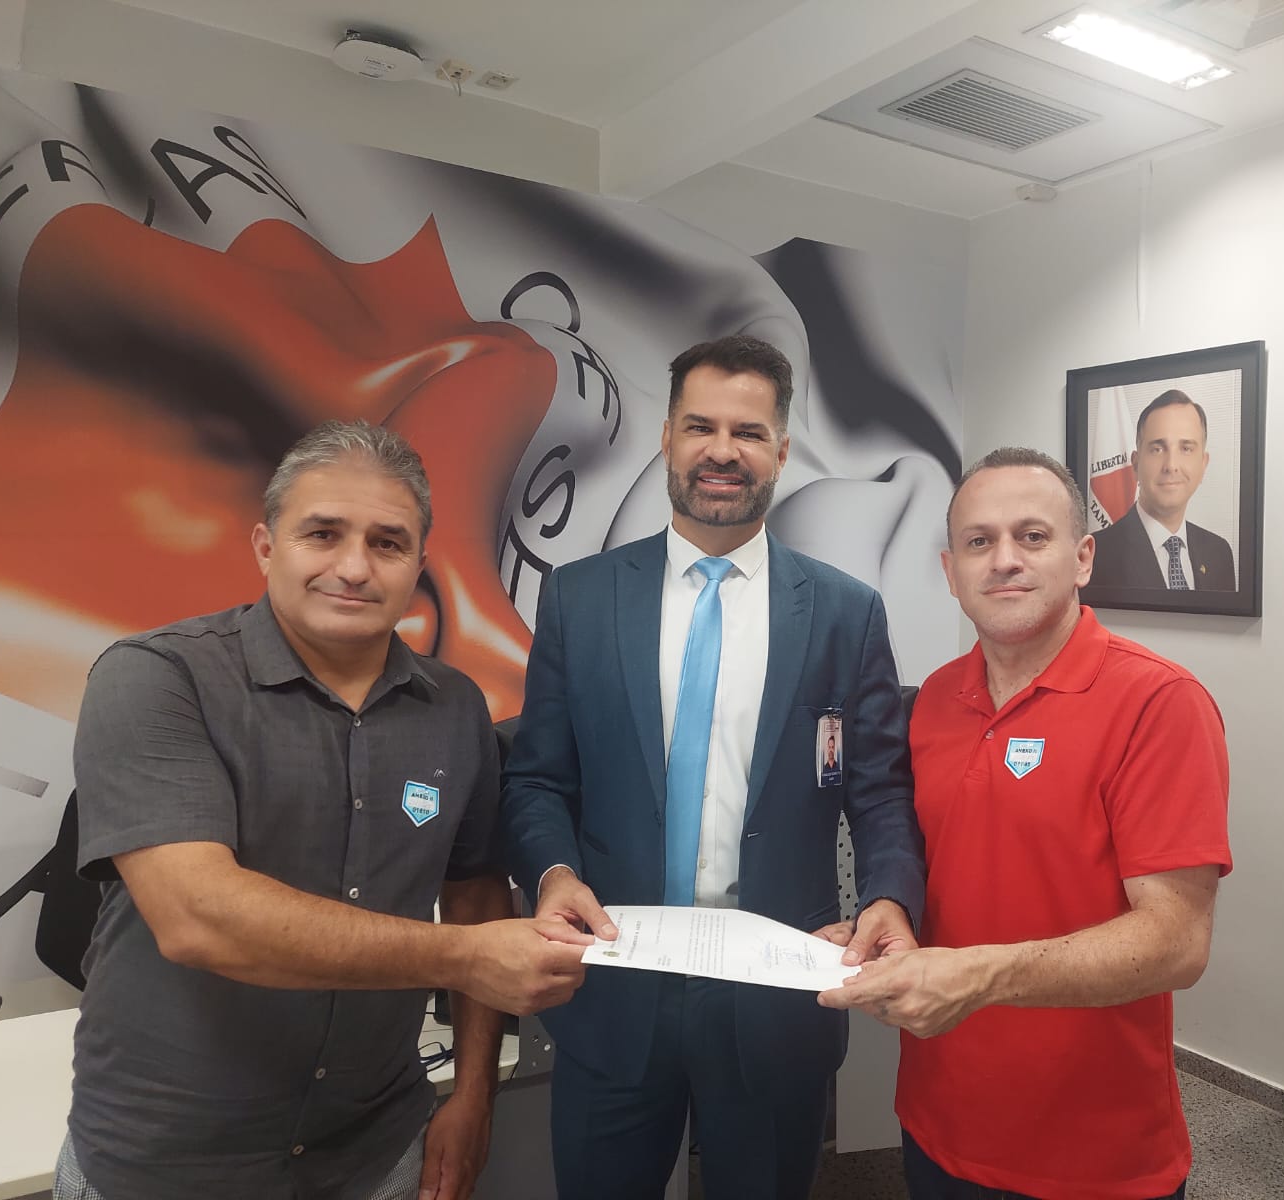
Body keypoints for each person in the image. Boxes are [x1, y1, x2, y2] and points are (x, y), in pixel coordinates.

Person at [63, 420, 593, 1200]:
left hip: (376, 1154)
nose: (353, 567)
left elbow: (475, 890)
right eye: (322, 534)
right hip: (169, 1163)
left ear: (419, 565)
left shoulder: (455, 708)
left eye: (388, 543)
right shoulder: (157, 679)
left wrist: (474, 1093)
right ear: (265, 546)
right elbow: (196, 917)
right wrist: (464, 956)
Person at [500, 334, 926, 1200]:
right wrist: (552, 874)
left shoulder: (845, 613)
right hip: (614, 984)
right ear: (667, 439)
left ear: (782, 450)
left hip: (777, 999)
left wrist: (889, 894)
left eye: (748, 431)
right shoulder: (580, 598)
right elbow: (539, 778)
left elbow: (881, 791)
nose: (722, 451)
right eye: (701, 427)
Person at [819, 447, 1231, 1200]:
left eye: (1032, 536)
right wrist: (876, 925)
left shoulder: (1159, 703)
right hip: (939, 1122)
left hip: (1094, 1150)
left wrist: (980, 976)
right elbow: (952, 871)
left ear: (1082, 558)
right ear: (951, 572)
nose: (1004, 559)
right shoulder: (934, 700)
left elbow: (1177, 942)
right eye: (979, 542)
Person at [1087, 389, 1236, 591]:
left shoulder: (1219, 553)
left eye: (1186, 448)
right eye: (1157, 449)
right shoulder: (1096, 556)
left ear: (1203, 465)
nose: (1171, 465)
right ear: (1136, 464)